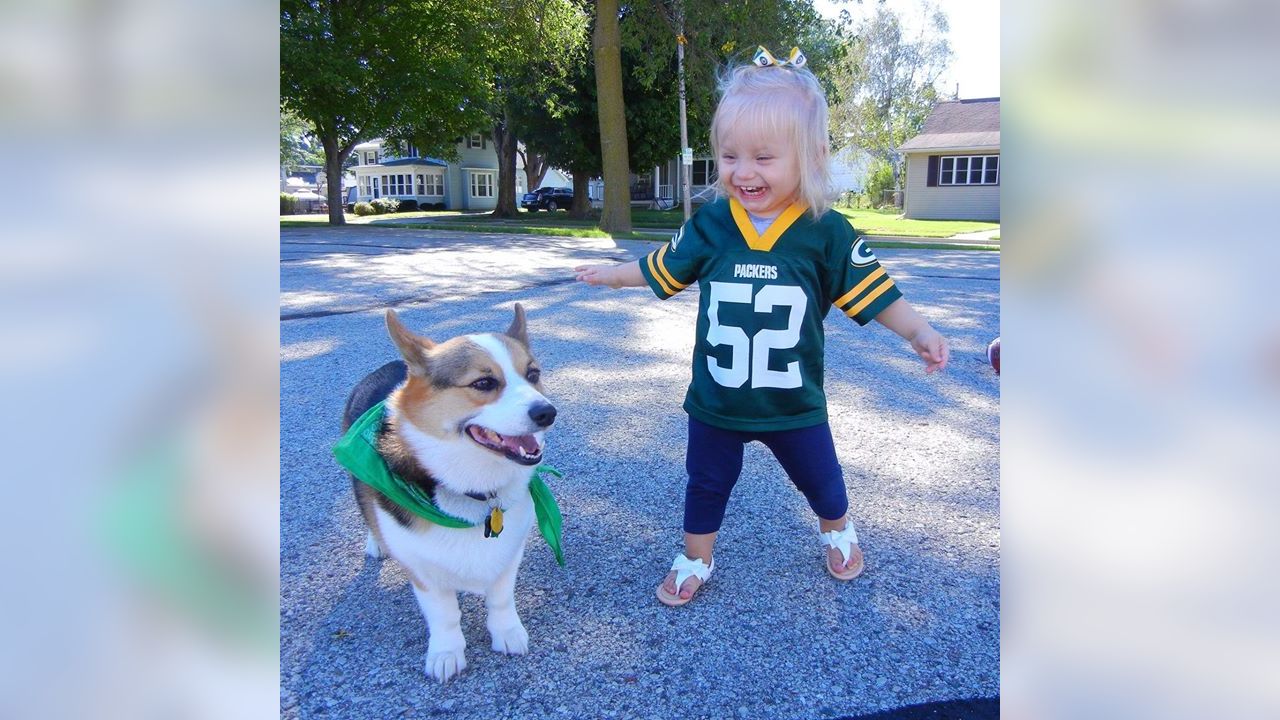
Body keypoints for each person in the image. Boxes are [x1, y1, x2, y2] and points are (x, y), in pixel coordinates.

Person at [574, 47, 949, 606]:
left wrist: (918, 331)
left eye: (763, 157)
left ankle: (838, 531)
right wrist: (614, 276)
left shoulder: (827, 233)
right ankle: (696, 556)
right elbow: (664, 266)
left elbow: (878, 292)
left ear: (812, 158)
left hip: (792, 401)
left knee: (822, 480)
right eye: (729, 156)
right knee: (704, 485)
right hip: (717, 399)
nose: (742, 172)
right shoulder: (712, 223)